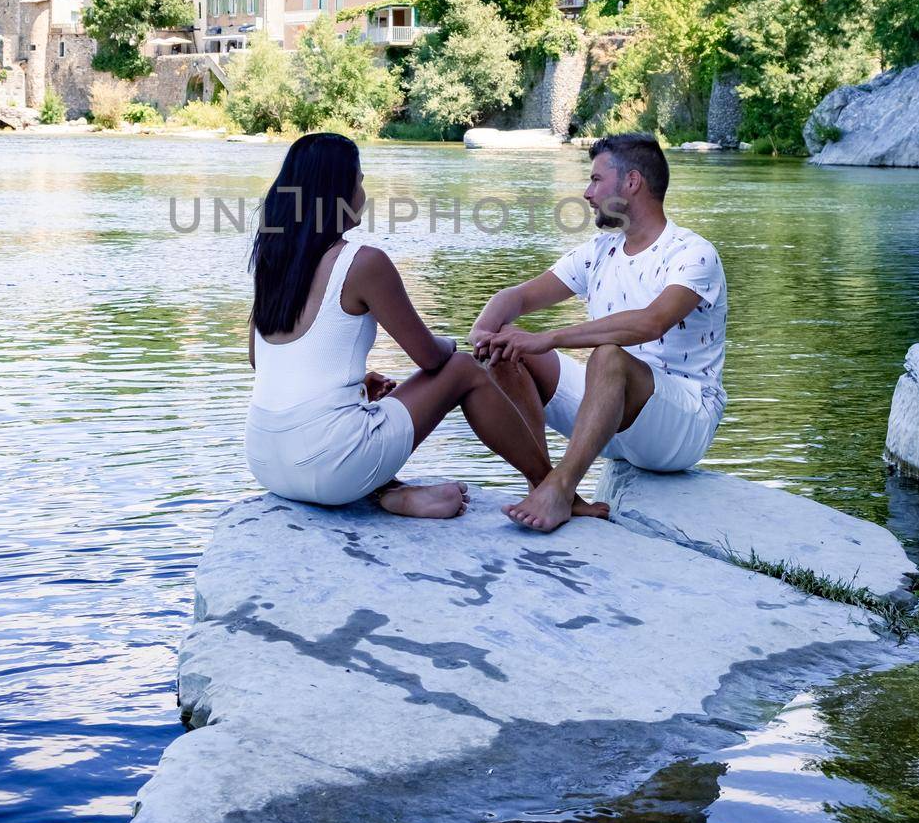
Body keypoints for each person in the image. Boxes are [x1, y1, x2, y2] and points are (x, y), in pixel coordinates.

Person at [245, 132, 555, 519]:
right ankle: (554, 489)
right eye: (359, 180)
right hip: (326, 466)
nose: (363, 190)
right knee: (462, 368)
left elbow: (261, 360)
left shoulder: (273, 259)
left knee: (356, 416)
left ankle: (387, 493)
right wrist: (450, 343)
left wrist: (354, 385)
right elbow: (428, 356)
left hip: (265, 461)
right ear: (338, 191)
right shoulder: (363, 262)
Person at [470, 132, 728, 533]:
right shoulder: (598, 251)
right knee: (509, 349)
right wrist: (485, 331)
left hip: (682, 421)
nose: (587, 193)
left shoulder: (692, 252)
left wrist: (550, 337)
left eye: (595, 180)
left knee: (608, 356)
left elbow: (651, 322)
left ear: (632, 182)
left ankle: (559, 487)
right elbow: (517, 297)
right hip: (607, 412)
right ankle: (552, 488)